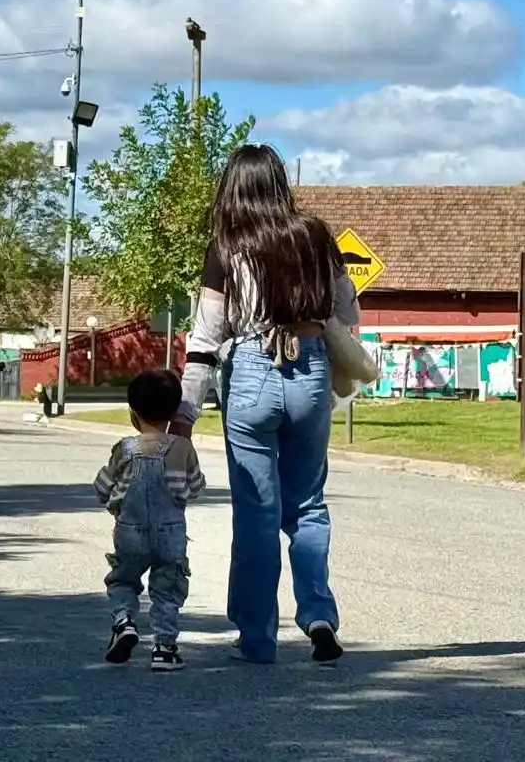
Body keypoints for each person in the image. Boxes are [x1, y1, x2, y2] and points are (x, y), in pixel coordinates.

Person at [169, 144, 359, 665]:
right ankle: (319, 616)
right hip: (311, 369)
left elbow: (206, 338)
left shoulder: (226, 246)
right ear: (279, 182)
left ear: (231, 188)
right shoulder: (316, 236)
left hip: (252, 370)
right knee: (308, 504)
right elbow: (348, 311)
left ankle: (257, 640)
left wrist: (185, 415)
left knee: (257, 511)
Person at [93, 369, 207, 671]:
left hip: (130, 531)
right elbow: (196, 487)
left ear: (133, 412)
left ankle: (124, 621)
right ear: (174, 412)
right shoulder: (182, 448)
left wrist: (112, 501)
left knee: (123, 580)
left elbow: (102, 487)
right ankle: (164, 648)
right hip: (171, 534)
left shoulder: (124, 449)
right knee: (168, 589)